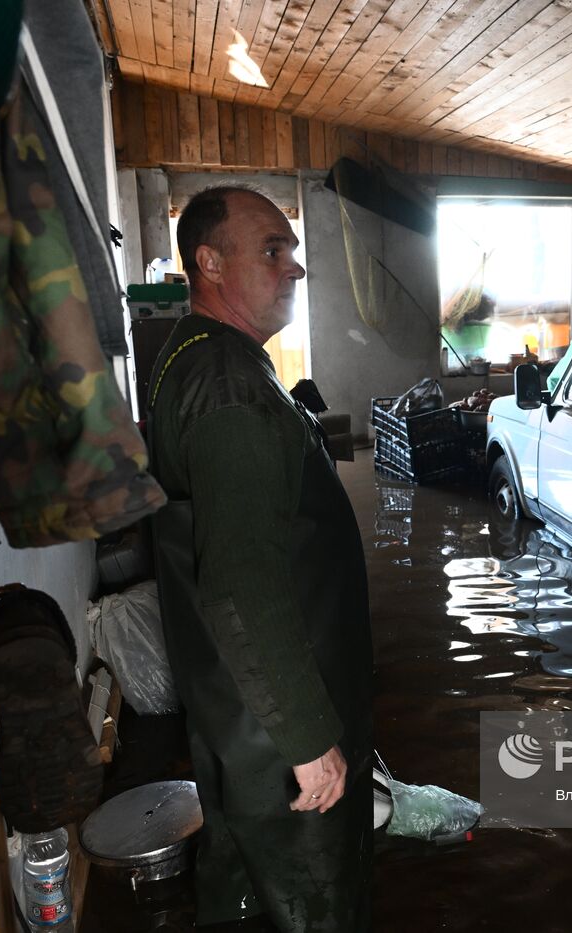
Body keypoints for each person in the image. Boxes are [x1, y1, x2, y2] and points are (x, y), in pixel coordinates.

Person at [147, 186, 373, 931]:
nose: (295, 268)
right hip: (273, 731)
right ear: (209, 263)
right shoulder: (229, 389)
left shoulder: (207, 356)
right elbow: (242, 583)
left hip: (237, 709)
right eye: (273, 250)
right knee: (311, 897)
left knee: (244, 888)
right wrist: (309, 739)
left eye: (293, 251)